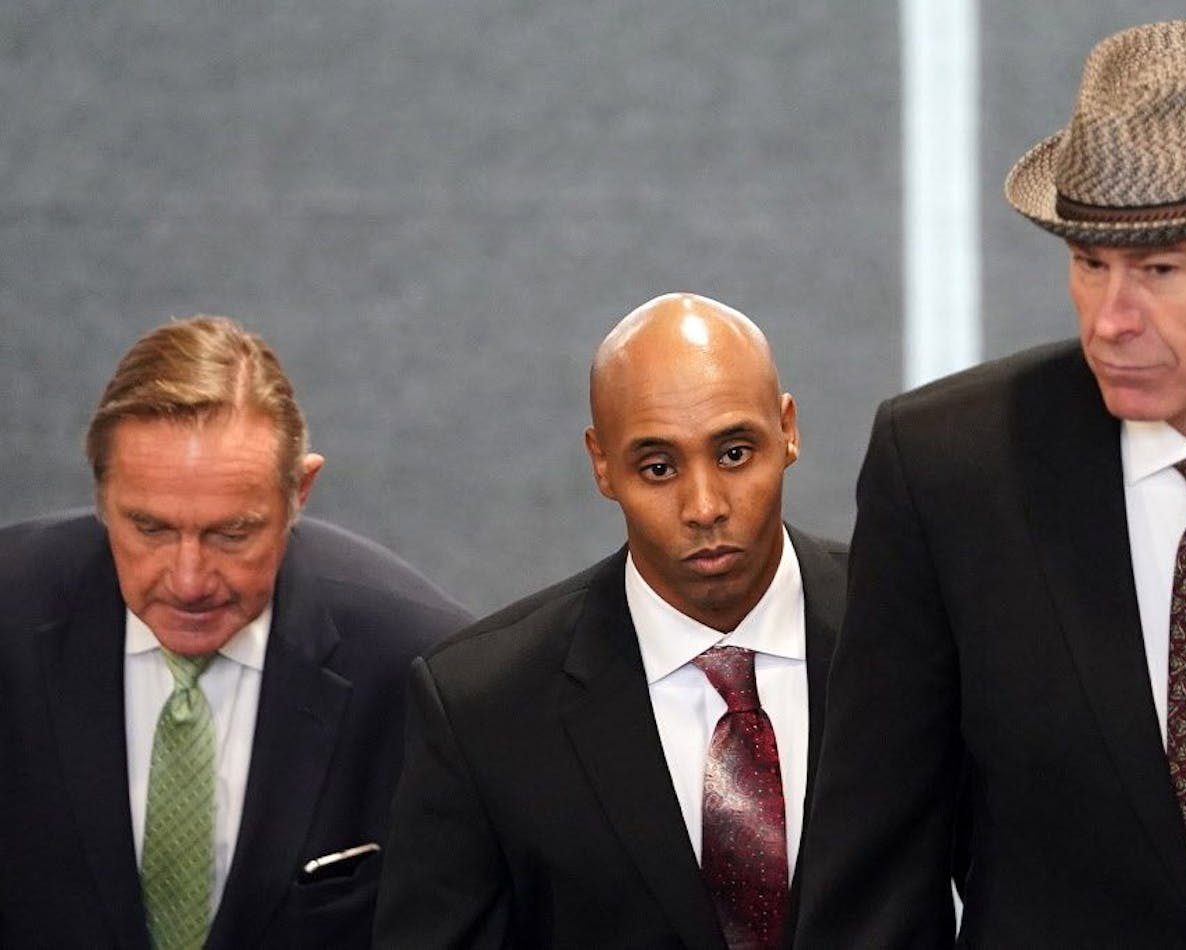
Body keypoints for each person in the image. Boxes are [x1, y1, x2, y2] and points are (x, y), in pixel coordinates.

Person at [794, 19, 1186, 947]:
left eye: (1160, 270)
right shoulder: (944, 472)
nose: (1110, 321)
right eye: (1090, 265)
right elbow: (875, 869)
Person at [374, 293, 846, 949]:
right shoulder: (481, 710)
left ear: (788, 429)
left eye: (735, 454)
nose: (705, 506)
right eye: (658, 468)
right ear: (602, 464)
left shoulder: (918, 633)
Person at [0, 315, 473, 949]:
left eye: (233, 534)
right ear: (101, 494)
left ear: (299, 491)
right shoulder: (10, 616)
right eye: (151, 529)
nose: (189, 580)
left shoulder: (421, 666)